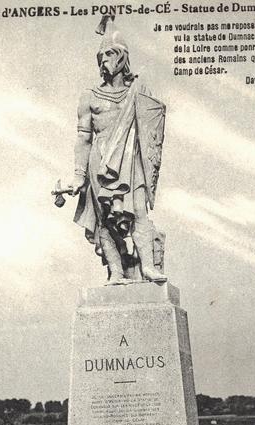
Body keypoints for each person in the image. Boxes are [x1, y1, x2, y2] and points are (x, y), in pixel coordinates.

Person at [69, 19, 167, 285]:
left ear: (123, 58)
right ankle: (115, 271)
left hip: (129, 159)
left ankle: (147, 266)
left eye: (110, 54)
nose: (104, 61)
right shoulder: (89, 96)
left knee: (138, 212)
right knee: (104, 220)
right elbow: (83, 136)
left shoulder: (137, 91)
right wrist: (78, 174)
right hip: (99, 160)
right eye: (101, 56)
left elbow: (150, 126)